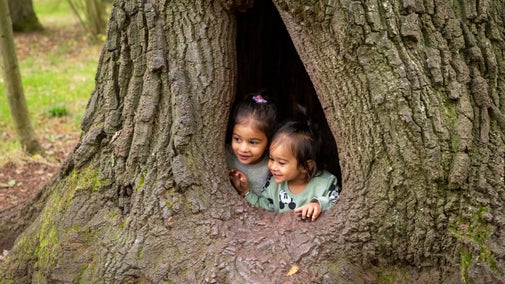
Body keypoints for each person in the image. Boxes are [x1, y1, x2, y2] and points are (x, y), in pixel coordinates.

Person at [235, 118, 340, 221]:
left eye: (281, 163)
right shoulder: (273, 185)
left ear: (305, 166)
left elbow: (338, 204)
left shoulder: (325, 183)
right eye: (271, 159)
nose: (273, 167)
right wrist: (246, 192)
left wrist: (318, 204)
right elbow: (263, 209)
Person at [226, 92, 278, 196]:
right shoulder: (223, 156)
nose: (243, 148)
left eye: (253, 142)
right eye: (237, 139)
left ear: (269, 142)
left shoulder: (273, 167)